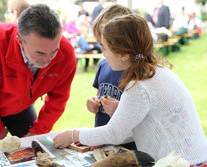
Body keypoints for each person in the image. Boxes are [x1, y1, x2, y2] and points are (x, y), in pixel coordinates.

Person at [53, 13, 207, 165]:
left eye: (105, 48)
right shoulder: (156, 72)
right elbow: (135, 126)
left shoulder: (139, 85)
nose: (103, 54)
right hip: (191, 158)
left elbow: (114, 133)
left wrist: (73, 135)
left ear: (123, 54)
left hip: (180, 162)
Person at [0, 4, 77, 147]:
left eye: (54, 51)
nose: (48, 60)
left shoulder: (66, 53)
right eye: (40, 53)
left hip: (21, 103)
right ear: (20, 41)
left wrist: (39, 130)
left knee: (34, 147)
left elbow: (58, 99)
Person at [86, 3, 136, 150]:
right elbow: (99, 94)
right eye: (99, 44)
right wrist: (93, 103)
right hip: (102, 141)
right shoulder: (103, 65)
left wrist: (121, 111)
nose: (102, 51)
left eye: (105, 45)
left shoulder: (136, 72)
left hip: (128, 147)